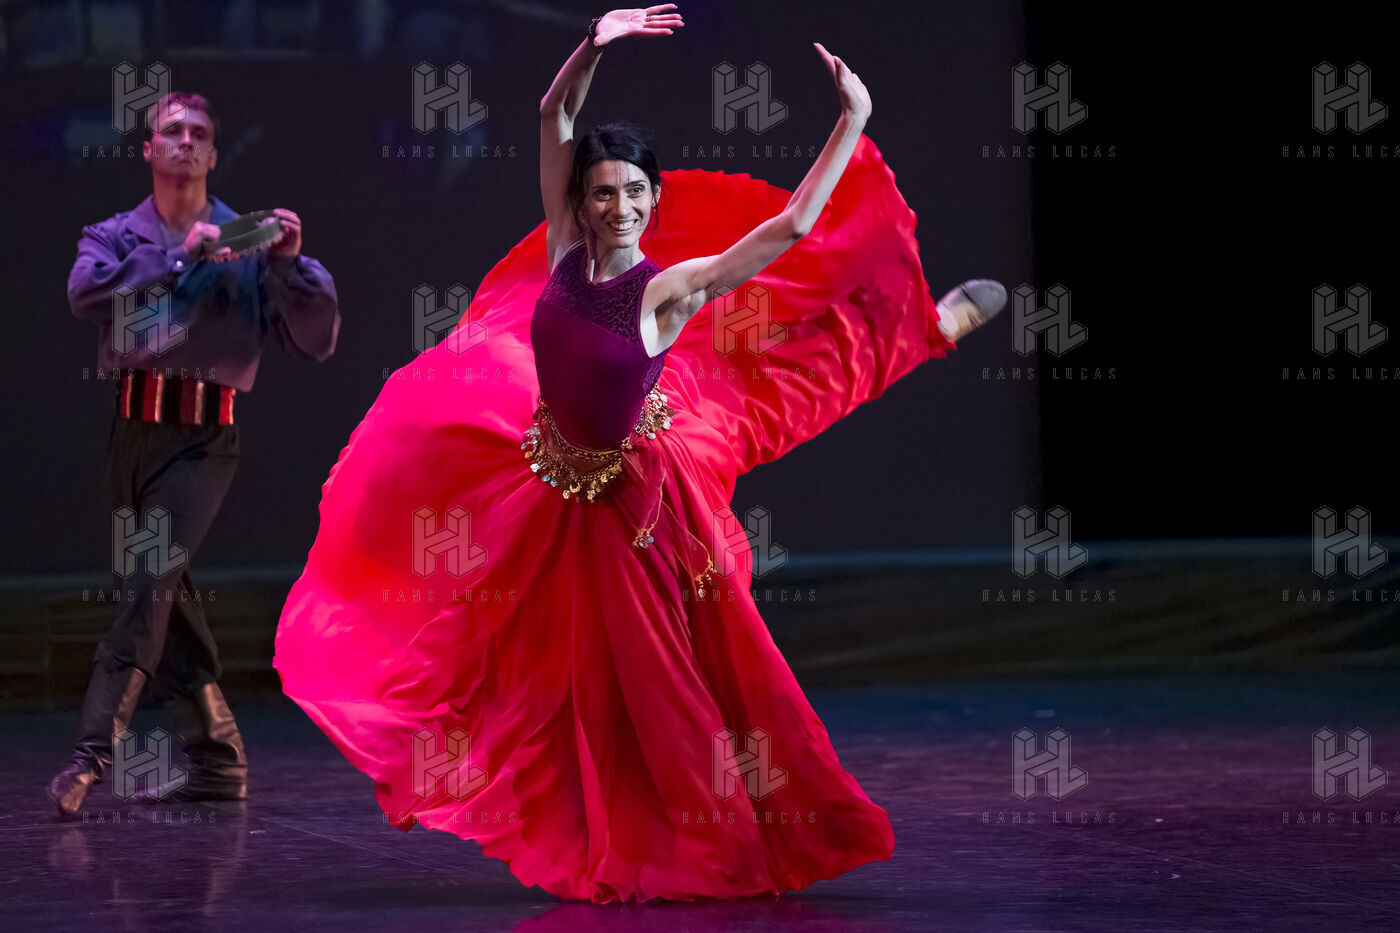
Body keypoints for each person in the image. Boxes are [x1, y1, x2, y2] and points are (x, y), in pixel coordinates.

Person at [273, 4, 1004, 902]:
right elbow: (553, 116)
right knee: (524, 662)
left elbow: (789, 231)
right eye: (603, 193)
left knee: (673, 653)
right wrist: (594, 43)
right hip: (549, 481)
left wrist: (853, 117)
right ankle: (916, 332)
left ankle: (922, 329)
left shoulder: (669, 290)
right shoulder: (563, 250)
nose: (618, 207)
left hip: (639, 497)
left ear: (655, 201)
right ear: (582, 203)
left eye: (633, 193)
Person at [49, 91, 342, 819]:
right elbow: (85, 293)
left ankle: (90, 755)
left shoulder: (251, 246)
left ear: (212, 154)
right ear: (149, 149)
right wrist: (181, 257)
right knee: (164, 597)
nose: (184, 141)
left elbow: (317, 340)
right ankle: (218, 758)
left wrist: (290, 265)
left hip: (203, 442)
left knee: (147, 585)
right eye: (171, 130)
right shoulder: (114, 236)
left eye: (198, 133)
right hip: (132, 434)